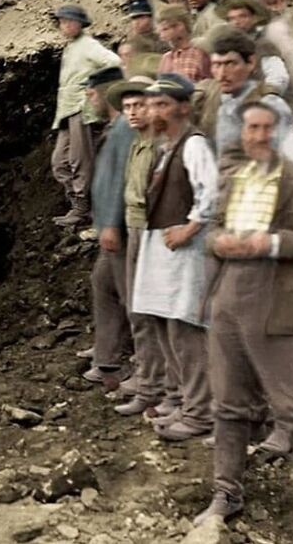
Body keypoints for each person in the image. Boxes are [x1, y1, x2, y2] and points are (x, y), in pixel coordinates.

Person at [195, 102, 293, 526]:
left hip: (277, 298)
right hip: (230, 298)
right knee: (228, 402)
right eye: (250, 128)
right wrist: (219, 243)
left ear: (280, 133)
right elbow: (212, 232)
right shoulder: (239, 178)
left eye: (265, 128)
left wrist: (269, 243)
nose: (256, 136)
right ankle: (226, 494)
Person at [132, 74, 217, 441]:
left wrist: (190, 227)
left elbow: (211, 192)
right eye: (152, 105)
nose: (154, 111)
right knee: (163, 321)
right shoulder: (166, 146)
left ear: (183, 107)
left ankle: (201, 413)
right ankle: (183, 401)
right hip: (161, 245)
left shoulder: (194, 144)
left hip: (185, 249)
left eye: (162, 104)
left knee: (185, 328)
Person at [105, 77, 168, 416]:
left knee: (151, 310)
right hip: (135, 228)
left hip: (153, 232)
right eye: (127, 107)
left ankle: (157, 385)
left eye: (138, 105)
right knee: (137, 308)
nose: (131, 112)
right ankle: (148, 378)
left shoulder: (160, 145)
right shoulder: (137, 144)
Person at [80, 67, 134, 392]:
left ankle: (134, 367)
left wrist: (111, 222)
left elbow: (120, 181)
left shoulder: (125, 130)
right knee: (103, 284)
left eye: (92, 91)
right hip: (110, 229)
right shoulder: (116, 127)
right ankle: (107, 358)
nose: (89, 97)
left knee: (130, 297)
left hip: (121, 230)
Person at [51, 5, 121, 227]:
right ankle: (78, 203)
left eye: (70, 22)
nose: (66, 26)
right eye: (62, 22)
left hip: (83, 108)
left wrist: (94, 86)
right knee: (59, 162)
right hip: (67, 109)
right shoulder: (71, 48)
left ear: (81, 24)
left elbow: (115, 63)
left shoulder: (89, 46)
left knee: (80, 160)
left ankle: (82, 208)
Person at [193, 30, 293, 164]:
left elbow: (292, 158)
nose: (222, 74)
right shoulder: (210, 98)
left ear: (250, 63)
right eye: (217, 65)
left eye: (231, 64)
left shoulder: (270, 104)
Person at [156, 6, 211, 82]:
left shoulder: (199, 54)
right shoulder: (166, 58)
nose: (160, 34)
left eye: (165, 29)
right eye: (160, 30)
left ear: (180, 26)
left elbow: (208, 83)